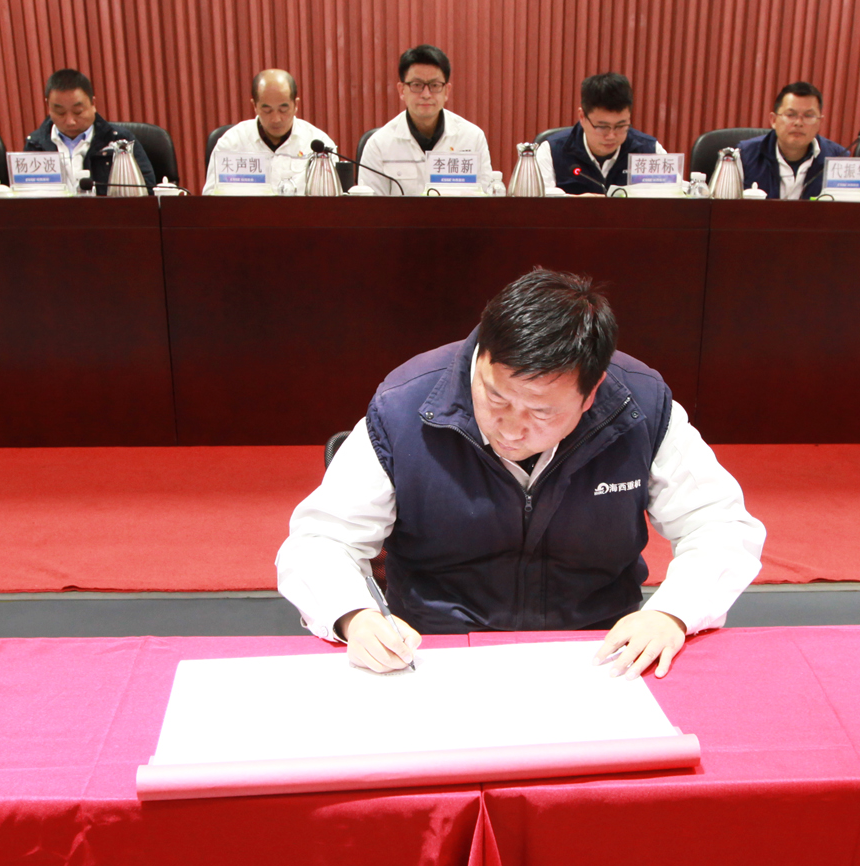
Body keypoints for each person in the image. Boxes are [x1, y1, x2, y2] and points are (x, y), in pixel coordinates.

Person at [277, 268, 766, 678]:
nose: (511, 429)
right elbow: (321, 541)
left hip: (598, 651)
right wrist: (356, 616)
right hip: (434, 652)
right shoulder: (404, 406)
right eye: (495, 397)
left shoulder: (638, 406)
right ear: (481, 359)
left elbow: (719, 526)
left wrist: (670, 613)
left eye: (542, 412)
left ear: (591, 393)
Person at [355, 45, 499, 195]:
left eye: (434, 85)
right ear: (402, 90)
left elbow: (485, 200)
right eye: (416, 85)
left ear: (446, 91)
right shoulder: (378, 145)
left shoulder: (472, 138)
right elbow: (371, 205)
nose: (426, 94)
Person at [22, 68, 157, 196]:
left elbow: (147, 190)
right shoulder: (36, 145)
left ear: (93, 103)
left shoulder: (120, 140)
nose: (70, 121)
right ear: (48, 106)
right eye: (60, 113)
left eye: (78, 112)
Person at [203, 68, 337, 195]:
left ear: (296, 105)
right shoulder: (231, 143)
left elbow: (332, 201)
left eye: (283, 109)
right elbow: (211, 198)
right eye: (267, 110)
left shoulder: (319, 144)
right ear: (255, 106)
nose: (276, 119)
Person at [541, 73, 666, 196]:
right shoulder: (551, 151)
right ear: (582, 117)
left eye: (621, 126)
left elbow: (670, 196)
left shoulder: (650, 151)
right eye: (602, 127)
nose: (611, 136)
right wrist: (575, 202)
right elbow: (538, 198)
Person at [734, 82, 848, 200]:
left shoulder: (838, 159)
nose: (798, 123)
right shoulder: (744, 156)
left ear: (820, 122)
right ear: (773, 120)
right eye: (790, 114)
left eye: (808, 116)